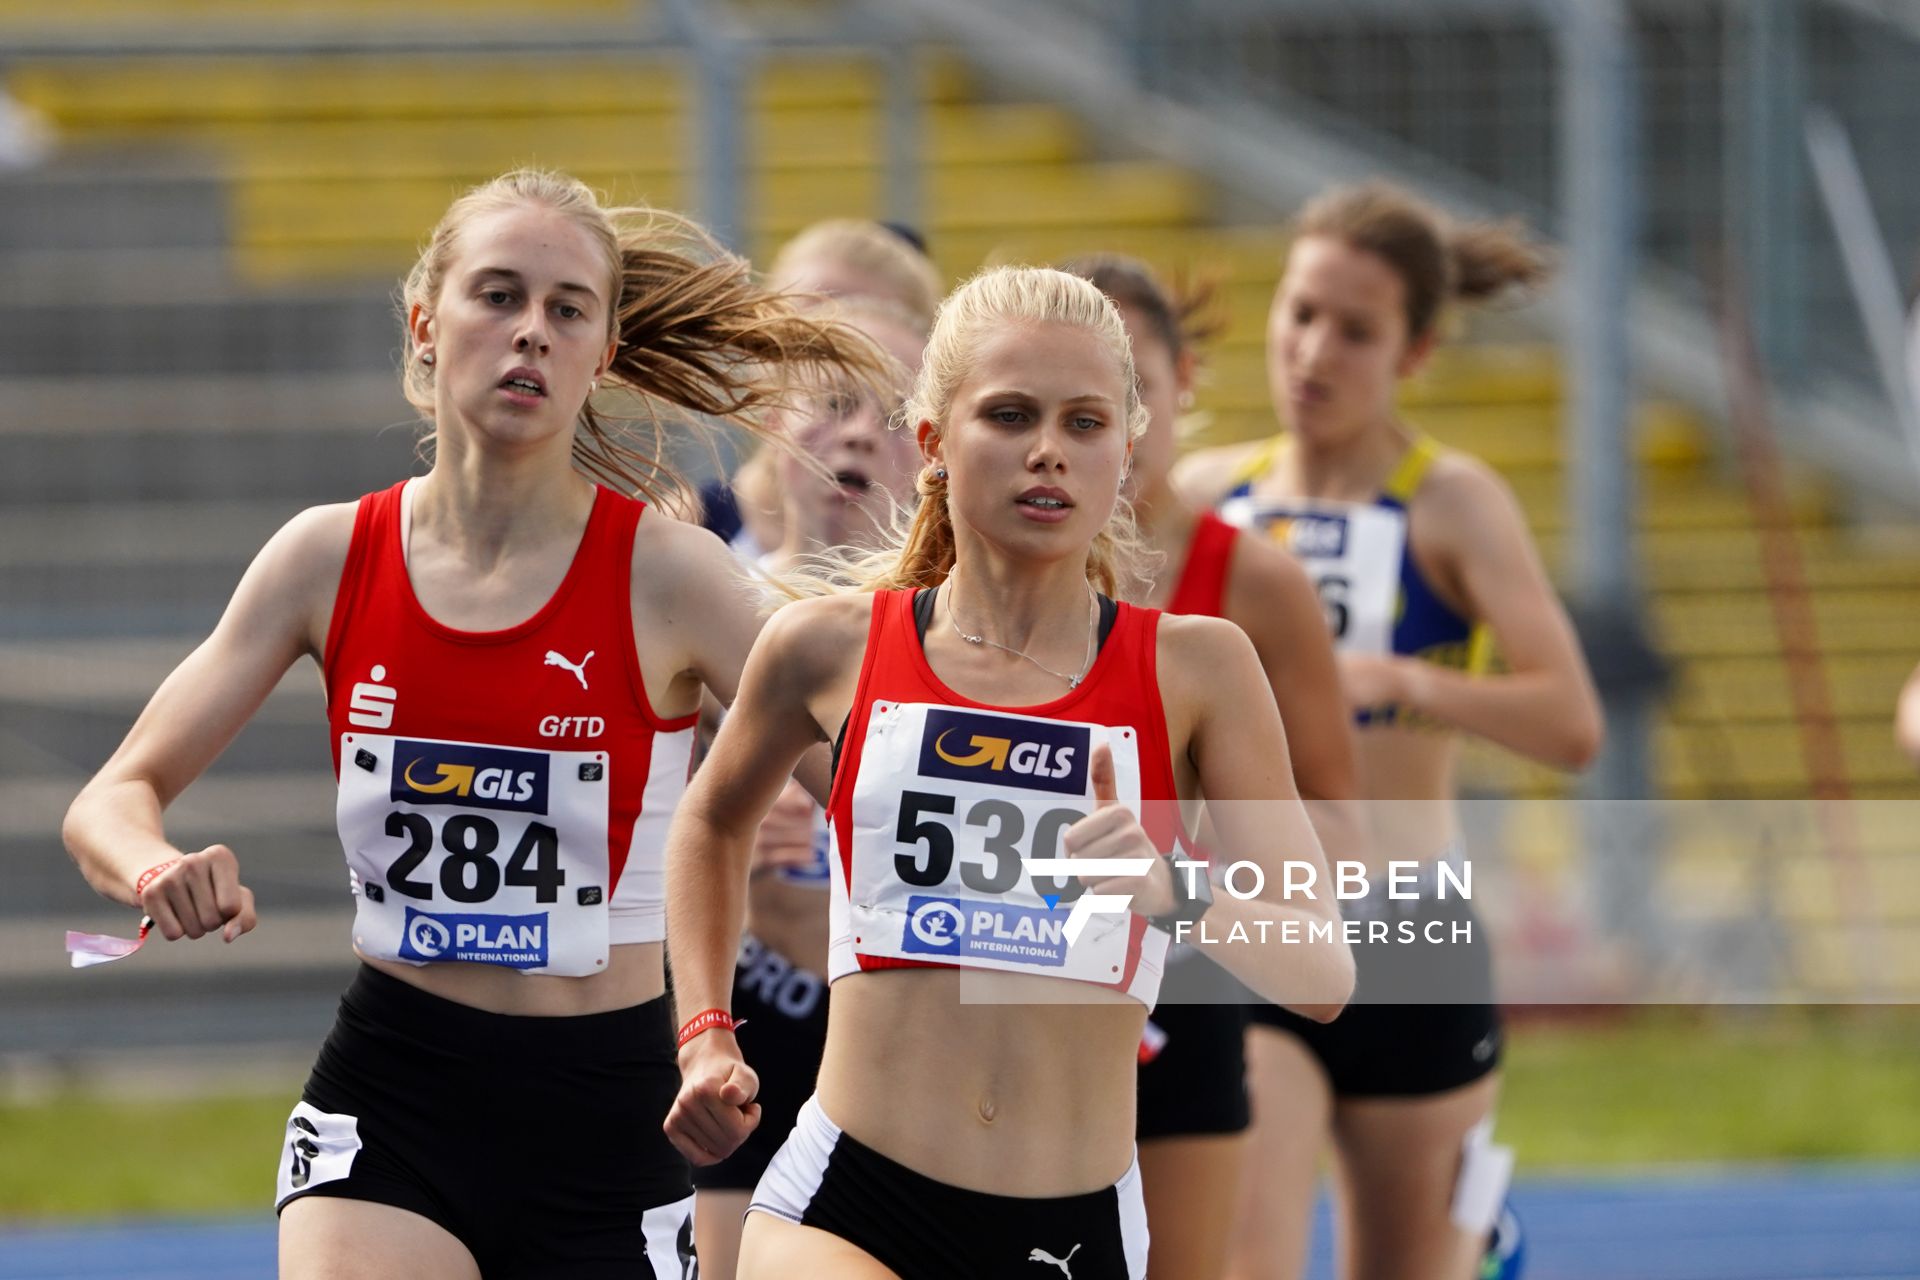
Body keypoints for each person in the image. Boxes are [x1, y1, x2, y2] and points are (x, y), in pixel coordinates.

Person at [61, 168, 887, 1280]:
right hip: (393, 1095)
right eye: (497, 296)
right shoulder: (327, 556)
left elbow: (879, 787)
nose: (530, 333)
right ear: (425, 321)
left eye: (565, 308)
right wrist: (155, 862)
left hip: (609, 1113)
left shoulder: (671, 577)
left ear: (602, 351)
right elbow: (110, 797)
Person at [662, 265, 1355, 1280]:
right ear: (934, 441)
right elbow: (710, 821)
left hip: (1069, 1228)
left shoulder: (1200, 668)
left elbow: (1326, 972)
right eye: (1010, 414)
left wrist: (1175, 892)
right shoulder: (827, 647)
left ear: (1127, 450)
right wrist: (706, 1033)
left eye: (1085, 422)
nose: (1048, 450)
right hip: (847, 1199)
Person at [1176, 182, 1603, 1280]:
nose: (1314, 351)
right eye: (1300, 312)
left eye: (1355, 330)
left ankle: (1478, 1237)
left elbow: (1572, 720)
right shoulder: (1206, 497)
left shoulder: (1452, 502)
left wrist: (1411, 678)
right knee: (1244, 1255)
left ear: (1414, 353)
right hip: (1255, 929)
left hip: (1413, 933)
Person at [1061, 253, 1361, 1280]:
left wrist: (1191, 862)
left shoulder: (1253, 585)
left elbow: (1338, 823)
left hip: (1188, 974)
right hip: (1021, 975)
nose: (1082, 424)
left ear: (1177, 385)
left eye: (1120, 387)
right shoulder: (974, 579)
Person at [690, 296, 930, 1280]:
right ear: (770, 434)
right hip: (744, 1040)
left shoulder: (967, 633)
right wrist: (723, 821)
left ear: (933, 447)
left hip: (912, 1050)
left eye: (889, 409)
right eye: (830, 402)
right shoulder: (705, 600)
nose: (858, 430)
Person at [702, 220, 944, 559]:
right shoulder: (686, 530)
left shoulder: (953, 565)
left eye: (869, 321)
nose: (831, 343)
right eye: (804, 323)